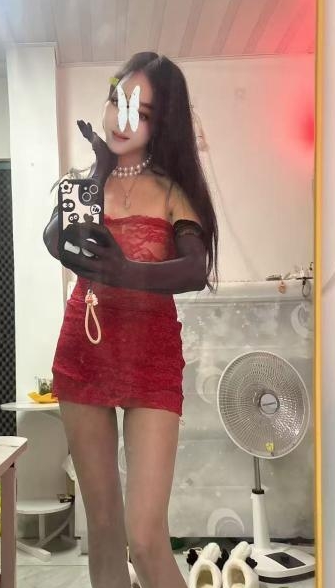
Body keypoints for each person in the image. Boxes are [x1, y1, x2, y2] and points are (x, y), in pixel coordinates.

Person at [43, 52, 218, 588]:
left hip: (151, 358)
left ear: (160, 124)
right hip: (83, 353)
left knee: (144, 538)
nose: (123, 120)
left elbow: (195, 269)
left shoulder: (171, 189)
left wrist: (125, 271)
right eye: (119, 102)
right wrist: (98, 171)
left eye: (140, 113)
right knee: (102, 527)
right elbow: (54, 240)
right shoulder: (84, 182)